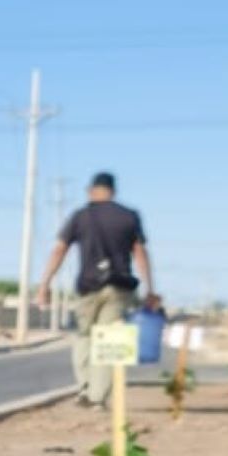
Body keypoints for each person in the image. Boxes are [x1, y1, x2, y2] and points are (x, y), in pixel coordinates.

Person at [37, 171, 153, 406]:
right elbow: (140, 252)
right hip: (120, 288)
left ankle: (85, 389)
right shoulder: (129, 216)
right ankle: (98, 398)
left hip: (88, 287)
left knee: (83, 338)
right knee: (109, 341)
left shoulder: (81, 216)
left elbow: (59, 249)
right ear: (113, 191)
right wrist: (150, 288)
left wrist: (45, 284)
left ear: (92, 190)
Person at [133, 291, 169, 367]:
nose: (159, 305)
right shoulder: (153, 316)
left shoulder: (137, 315)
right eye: (158, 303)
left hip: (142, 355)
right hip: (149, 355)